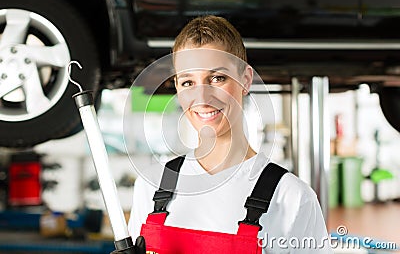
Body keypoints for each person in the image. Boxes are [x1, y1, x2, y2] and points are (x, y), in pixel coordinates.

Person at [128, 15, 332, 253]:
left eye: (217, 78)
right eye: (188, 83)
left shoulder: (290, 197)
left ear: (245, 80)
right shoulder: (151, 186)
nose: (202, 98)